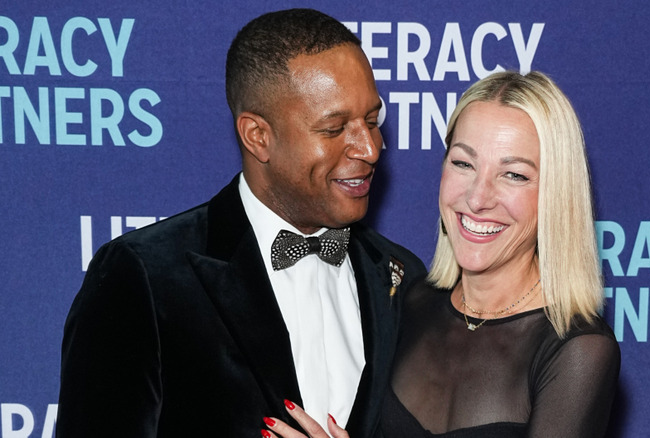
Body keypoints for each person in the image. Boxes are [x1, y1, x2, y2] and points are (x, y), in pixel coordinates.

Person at [56, 8, 426, 438]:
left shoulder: (401, 277)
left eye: (372, 120)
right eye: (335, 128)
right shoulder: (145, 277)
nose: (370, 147)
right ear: (257, 136)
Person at [262, 71, 620, 438]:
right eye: (463, 163)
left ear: (556, 195)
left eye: (513, 175)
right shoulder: (409, 299)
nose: (478, 198)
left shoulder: (577, 349)